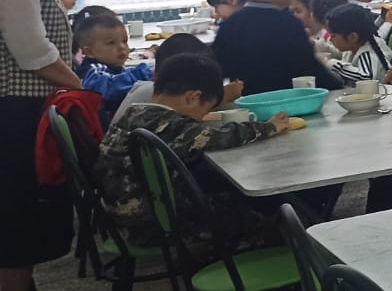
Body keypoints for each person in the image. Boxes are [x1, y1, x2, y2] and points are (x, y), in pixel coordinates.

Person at [0, 0, 81, 291]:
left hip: (7, 108)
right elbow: (34, 53)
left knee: (13, 208)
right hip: (18, 111)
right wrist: (79, 88)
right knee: (20, 211)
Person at [93, 53, 289, 249]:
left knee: (223, 189)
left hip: (124, 215)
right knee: (264, 218)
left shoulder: (134, 113)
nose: (202, 117)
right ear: (192, 97)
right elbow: (220, 136)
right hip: (155, 225)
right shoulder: (170, 125)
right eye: (206, 109)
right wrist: (268, 127)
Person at [213, 0, 342, 95]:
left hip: (249, 105)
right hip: (289, 102)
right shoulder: (288, 23)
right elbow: (309, 69)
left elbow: (218, 71)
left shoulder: (229, 26)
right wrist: (339, 88)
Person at [110, 32, 238, 128]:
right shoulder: (159, 109)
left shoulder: (147, 96)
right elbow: (213, 137)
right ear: (193, 96)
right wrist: (223, 97)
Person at [71, 13, 152, 126]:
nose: (122, 47)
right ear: (89, 52)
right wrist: (143, 72)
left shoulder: (114, 67)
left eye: (124, 41)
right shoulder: (92, 70)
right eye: (111, 43)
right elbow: (109, 88)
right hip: (108, 131)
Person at [324, 2, 392, 86]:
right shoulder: (353, 47)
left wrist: (332, 64)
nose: (330, 39)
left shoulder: (367, 52)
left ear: (353, 37)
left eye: (333, 35)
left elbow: (367, 77)